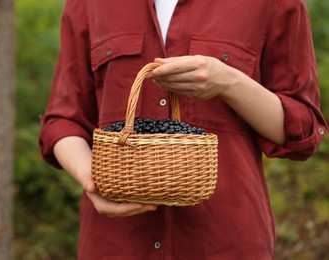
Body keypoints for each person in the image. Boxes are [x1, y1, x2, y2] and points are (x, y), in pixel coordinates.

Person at [39, 0, 327, 258]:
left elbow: (302, 130)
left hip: (225, 243)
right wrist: (91, 180)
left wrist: (228, 82)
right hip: (116, 243)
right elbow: (64, 121)